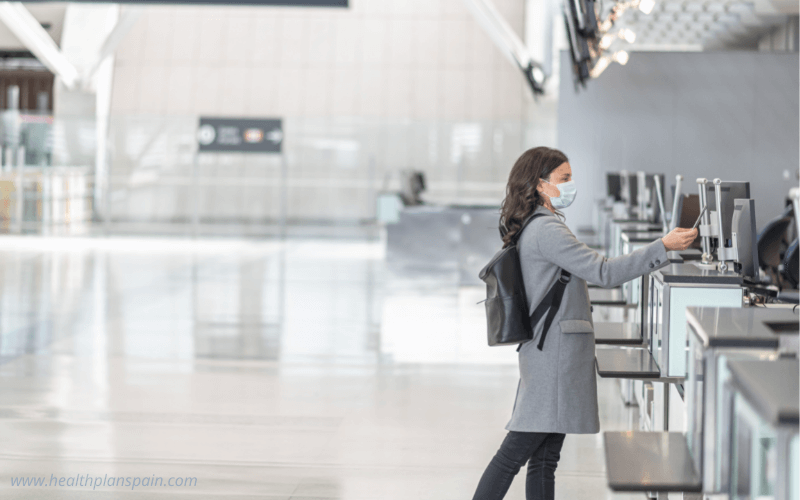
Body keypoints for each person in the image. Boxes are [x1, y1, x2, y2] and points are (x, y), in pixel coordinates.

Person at [471, 147, 697, 500]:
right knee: (513, 453)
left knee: (544, 458)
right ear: (541, 184)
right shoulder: (547, 230)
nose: (571, 185)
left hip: (551, 351)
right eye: (564, 178)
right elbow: (603, 272)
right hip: (555, 357)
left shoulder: (541, 223)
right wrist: (661, 247)